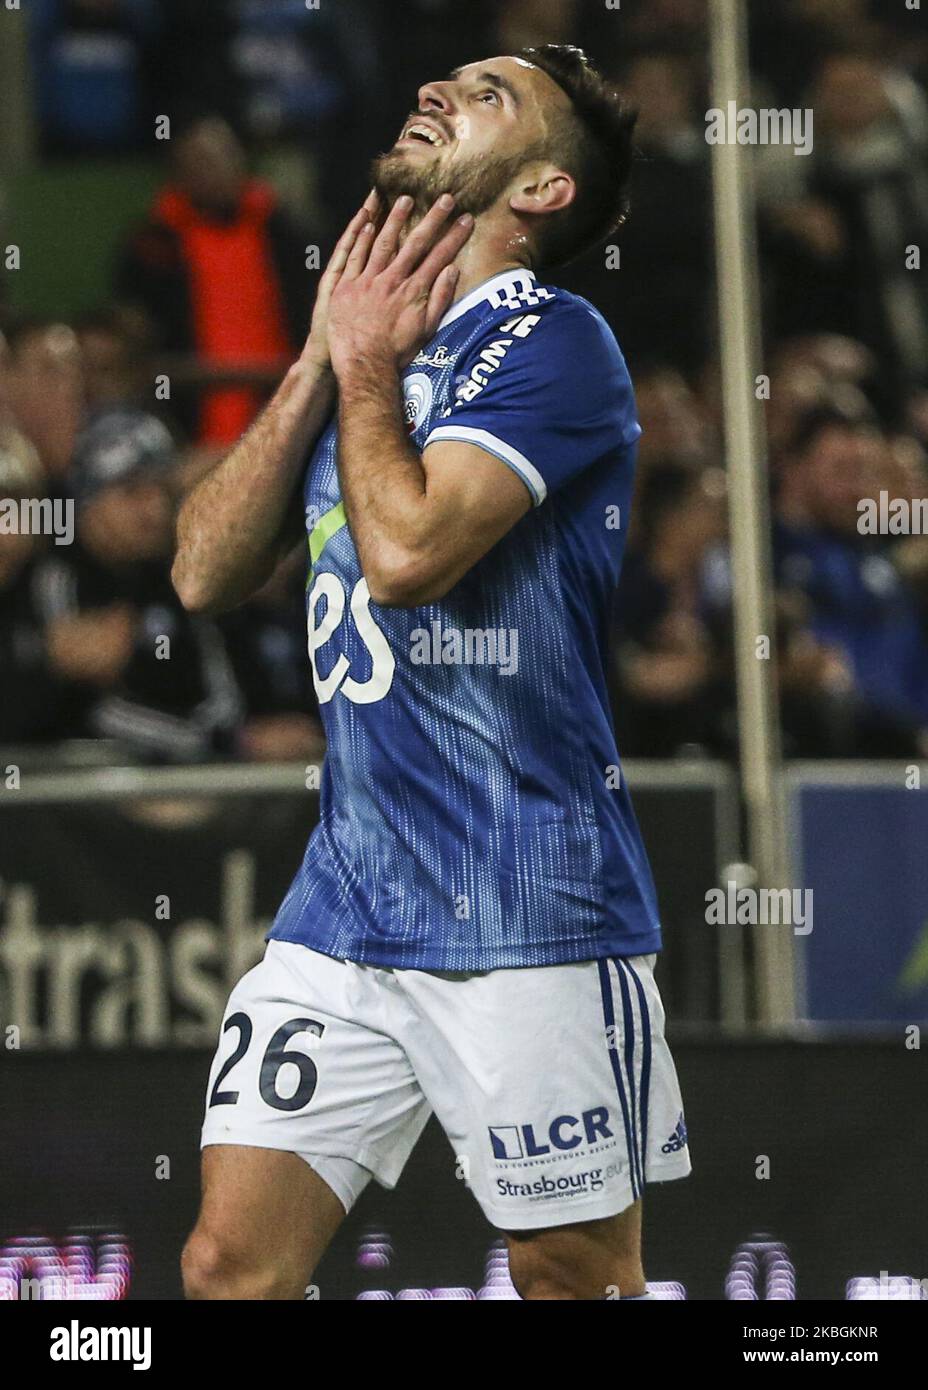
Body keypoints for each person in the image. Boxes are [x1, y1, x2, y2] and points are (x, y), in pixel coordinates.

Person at [175, 45, 690, 1302]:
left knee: (568, 1274)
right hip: (347, 899)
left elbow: (405, 555)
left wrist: (358, 367)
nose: (437, 94)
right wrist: (317, 360)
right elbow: (200, 574)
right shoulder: (363, 351)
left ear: (542, 192)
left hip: (525, 900)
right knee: (227, 1266)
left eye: (489, 96)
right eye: (445, 81)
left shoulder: (555, 342)